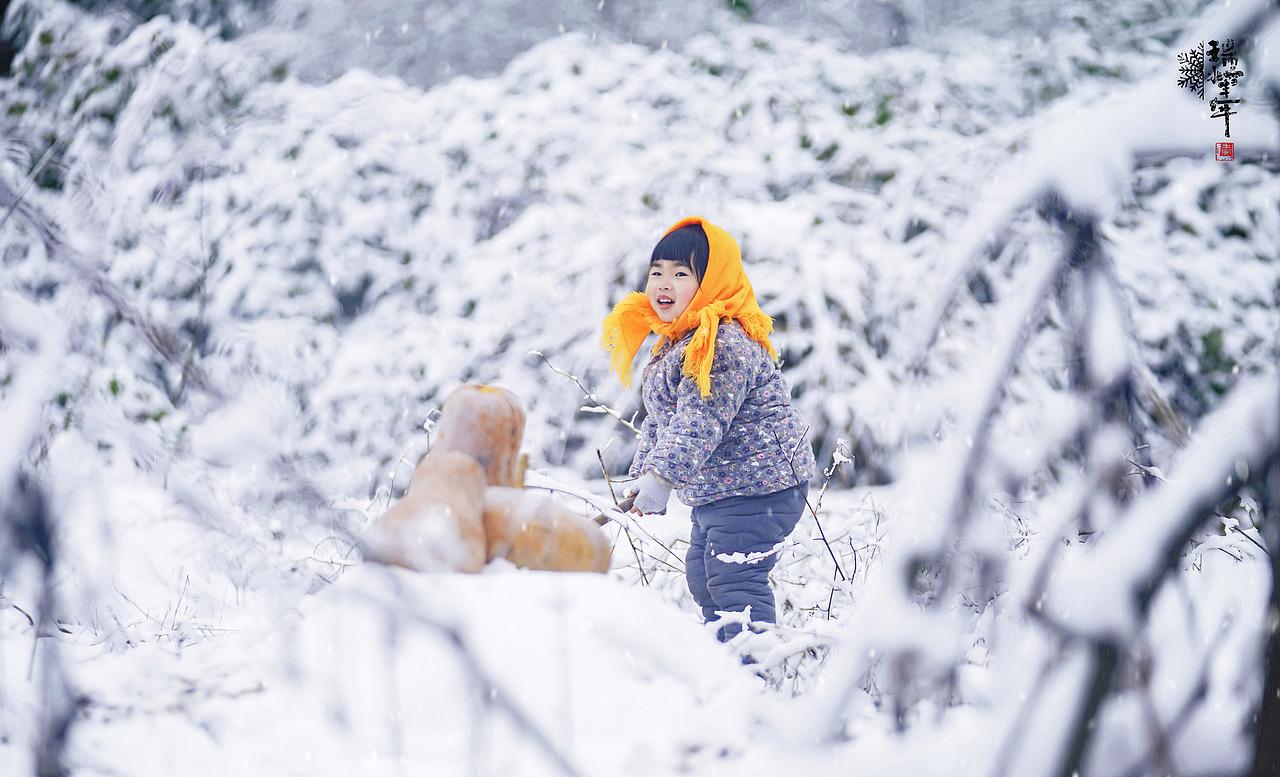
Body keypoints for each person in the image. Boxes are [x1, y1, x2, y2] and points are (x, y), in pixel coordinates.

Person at [600, 216, 817, 641]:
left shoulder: (721, 343)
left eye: (681, 274)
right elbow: (665, 419)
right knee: (704, 578)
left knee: (733, 580)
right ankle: (727, 660)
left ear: (712, 282)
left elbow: (699, 421)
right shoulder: (680, 339)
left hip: (760, 488)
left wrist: (663, 478)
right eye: (657, 272)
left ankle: (753, 670)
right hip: (726, 490)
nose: (664, 283)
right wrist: (645, 475)